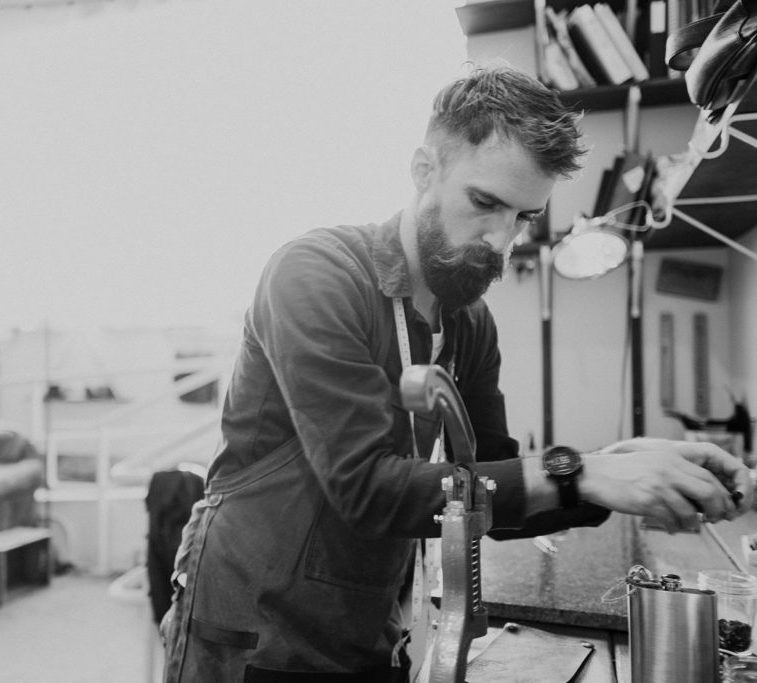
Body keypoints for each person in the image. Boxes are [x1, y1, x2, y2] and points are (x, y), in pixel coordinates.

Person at [160, 64, 754, 682]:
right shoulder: (315, 274)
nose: (500, 240)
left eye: (524, 217)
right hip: (253, 622)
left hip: (366, 619)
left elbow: (491, 481)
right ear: (425, 171)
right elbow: (366, 486)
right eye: (484, 202)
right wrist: (588, 475)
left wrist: (619, 463)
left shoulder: (468, 323)